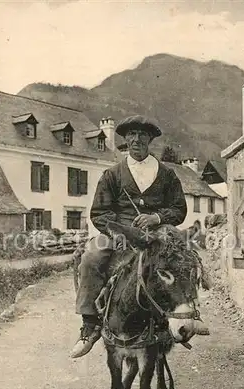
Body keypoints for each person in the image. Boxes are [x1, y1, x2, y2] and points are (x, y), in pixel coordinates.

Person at [71, 115, 187, 358]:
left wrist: (156, 218)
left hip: (158, 232)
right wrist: (119, 231)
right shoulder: (112, 174)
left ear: (150, 139)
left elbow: (179, 210)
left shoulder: (167, 175)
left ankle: (183, 317)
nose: (136, 140)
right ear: (125, 139)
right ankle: (90, 325)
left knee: (181, 258)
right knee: (91, 257)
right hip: (118, 234)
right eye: (131, 135)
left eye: (142, 135)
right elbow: (99, 213)